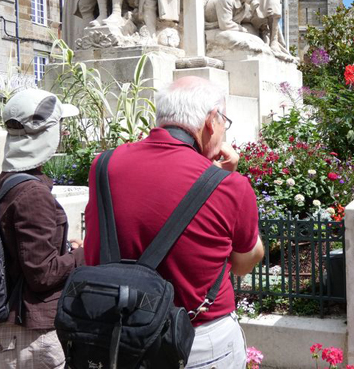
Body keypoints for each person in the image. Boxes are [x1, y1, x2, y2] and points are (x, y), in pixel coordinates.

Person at [83, 76, 264, 368]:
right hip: (197, 341)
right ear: (211, 120)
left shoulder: (103, 165)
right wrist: (224, 176)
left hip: (116, 338)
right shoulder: (230, 186)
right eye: (223, 123)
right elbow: (245, 262)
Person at [0, 89, 85, 368]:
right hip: (32, 335)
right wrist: (82, 255)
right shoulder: (32, 194)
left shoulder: (5, 182)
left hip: (17, 330)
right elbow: (42, 274)